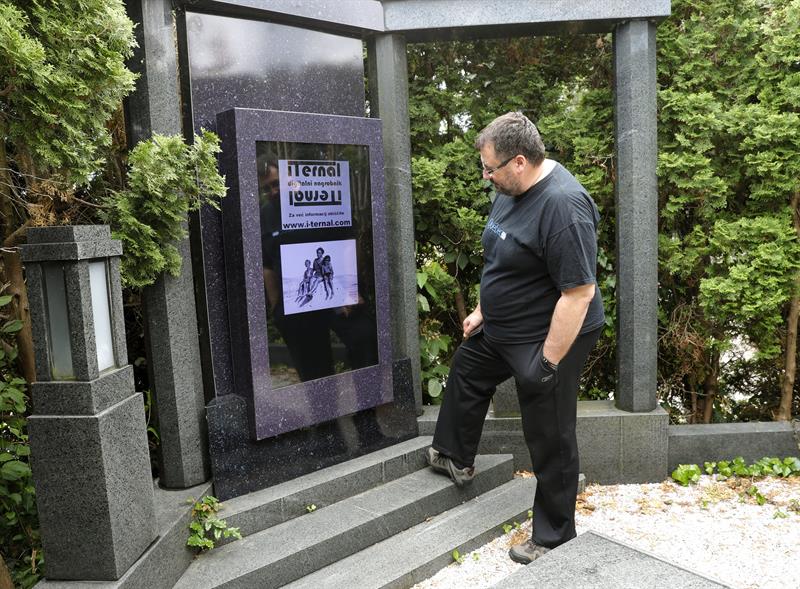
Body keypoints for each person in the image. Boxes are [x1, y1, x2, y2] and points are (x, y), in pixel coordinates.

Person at [426, 112, 605, 565]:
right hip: (505, 325)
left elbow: (578, 294)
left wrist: (546, 364)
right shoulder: (509, 189)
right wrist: (486, 309)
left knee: (550, 432)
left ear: (520, 161)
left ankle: (554, 536)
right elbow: (505, 255)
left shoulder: (564, 208)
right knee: (468, 369)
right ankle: (454, 456)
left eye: (491, 168)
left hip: (550, 335)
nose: (486, 177)